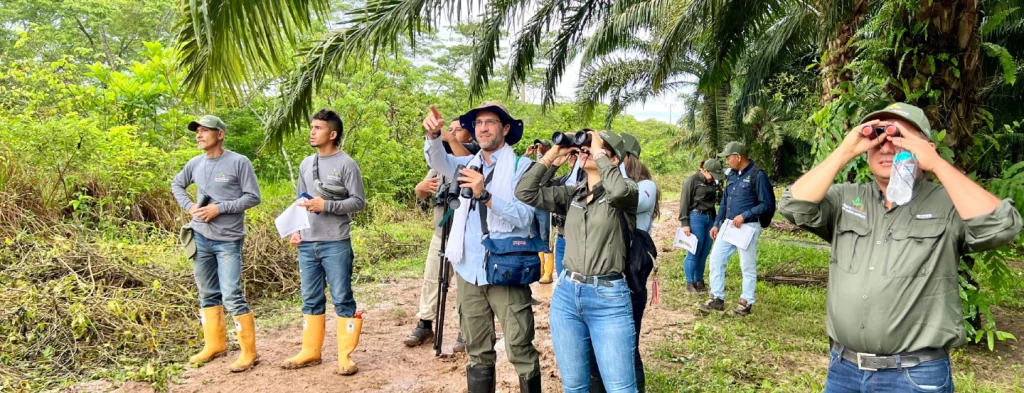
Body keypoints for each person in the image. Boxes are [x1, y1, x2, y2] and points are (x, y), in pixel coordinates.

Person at [778, 103, 1021, 392]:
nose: (886, 146)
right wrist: (844, 151)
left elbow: (1002, 226)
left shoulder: (948, 204)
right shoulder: (846, 198)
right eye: (877, 137)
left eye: (899, 136)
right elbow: (793, 206)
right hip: (844, 370)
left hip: (915, 376)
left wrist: (937, 164)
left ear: (926, 147)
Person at [422, 102, 541, 393]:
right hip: (468, 269)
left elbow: (525, 216)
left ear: (506, 129)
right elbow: (438, 162)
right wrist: (434, 137)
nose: (483, 128)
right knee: (476, 349)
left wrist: (485, 195)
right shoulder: (468, 164)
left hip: (505, 269)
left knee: (519, 348)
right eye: (478, 123)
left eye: (490, 122)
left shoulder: (522, 167)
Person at [516, 130, 640, 393]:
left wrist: (597, 150)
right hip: (566, 298)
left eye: (597, 147)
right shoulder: (573, 194)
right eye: (585, 147)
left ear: (614, 160)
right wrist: (553, 155)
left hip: (609, 299)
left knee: (620, 388)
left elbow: (617, 191)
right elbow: (524, 192)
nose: (586, 150)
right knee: (574, 386)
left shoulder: (627, 192)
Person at [279, 109, 367, 375]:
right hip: (307, 242)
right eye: (312, 127)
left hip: (335, 241)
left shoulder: (347, 164)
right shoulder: (307, 163)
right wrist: (295, 229)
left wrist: (326, 204)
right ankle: (310, 352)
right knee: (310, 299)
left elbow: (359, 202)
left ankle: (345, 356)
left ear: (333, 133)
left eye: (318, 128)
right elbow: (300, 200)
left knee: (342, 298)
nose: (312, 132)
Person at [171, 115, 262, 372]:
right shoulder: (195, 163)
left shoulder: (238, 162)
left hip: (228, 240)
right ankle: (215, 345)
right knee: (207, 293)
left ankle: (249, 352)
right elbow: (177, 184)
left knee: (232, 293)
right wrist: (189, 206)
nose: (199, 135)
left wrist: (219, 209)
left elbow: (253, 197)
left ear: (220, 134)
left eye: (205, 131)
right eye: (197, 131)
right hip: (200, 236)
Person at [586, 132, 657, 393]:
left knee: (628, 346)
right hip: (601, 275)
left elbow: (621, 195)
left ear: (623, 157)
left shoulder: (646, 186)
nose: (600, 155)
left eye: (608, 151)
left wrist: (606, 165)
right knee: (594, 346)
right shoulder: (600, 181)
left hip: (629, 276)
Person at [404, 119, 477, 351]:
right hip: (440, 233)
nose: (451, 132)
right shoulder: (440, 161)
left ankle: (465, 330)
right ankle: (425, 323)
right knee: (431, 278)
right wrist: (421, 188)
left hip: (466, 236)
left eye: (458, 130)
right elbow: (421, 192)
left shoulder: (474, 157)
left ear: (470, 136)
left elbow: (466, 164)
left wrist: (450, 138)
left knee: (466, 284)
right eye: (450, 129)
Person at [698, 141, 775, 316]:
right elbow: (725, 202)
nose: (726, 160)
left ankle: (746, 301)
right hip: (729, 225)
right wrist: (717, 223)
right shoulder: (731, 175)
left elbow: (767, 204)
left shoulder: (758, 175)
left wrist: (745, 215)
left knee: (747, 265)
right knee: (716, 259)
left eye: (728, 157)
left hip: (748, 226)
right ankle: (716, 297)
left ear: (738, 157)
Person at [678, 159, 725, 294]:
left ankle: (699, 281)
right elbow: (684, 202)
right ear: (705, 170)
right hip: (695, 217)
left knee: (704, 252)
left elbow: (719, 201)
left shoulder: (714, 182)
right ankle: (690, 283)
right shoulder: (692, 180)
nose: (714, 178)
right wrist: (684, 223)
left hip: (710, 218)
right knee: (694, 251)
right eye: (713, 175)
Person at [526, 139, 555, 283]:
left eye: (541, 147)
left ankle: (548, 273)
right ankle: (540, 269)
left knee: (545, 236)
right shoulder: (533, 164)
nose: (539, 149)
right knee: (534, 235)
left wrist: (541, 156)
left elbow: (543, 177)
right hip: (532, 204)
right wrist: (527, 155)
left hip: (543, 204)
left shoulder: (550, 164)